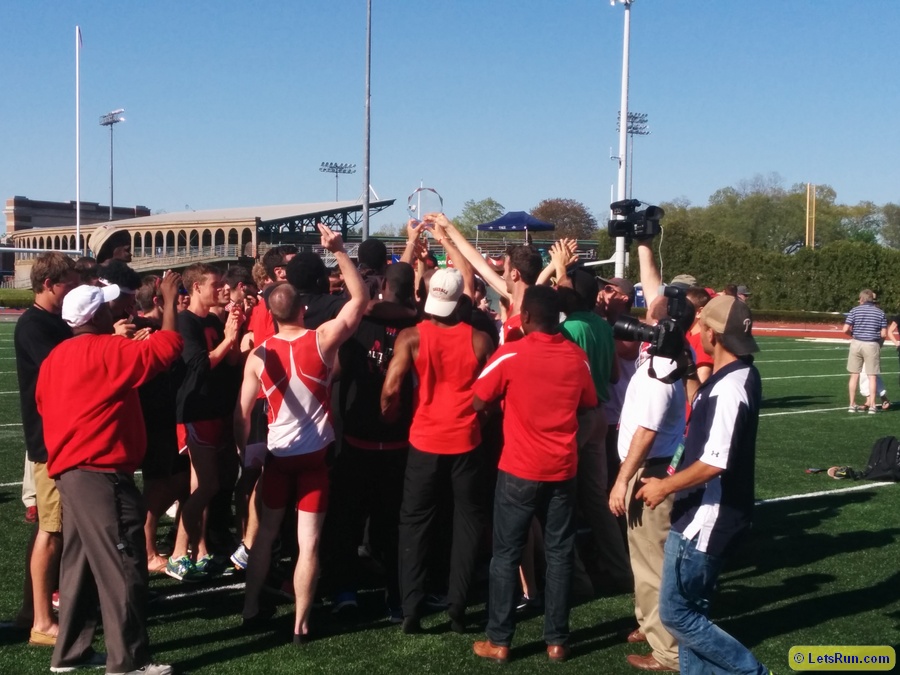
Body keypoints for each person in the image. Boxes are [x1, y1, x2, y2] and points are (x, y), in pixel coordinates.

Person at [37, 274, 183, 675]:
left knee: (79, 566)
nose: (115, 309)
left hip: (69, 471)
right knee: (124, 563)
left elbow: (43, 403)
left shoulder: (57, 357)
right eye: (107, 305)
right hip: (101, 472)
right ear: (97, 313)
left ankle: (71, 651)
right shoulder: (106, 349)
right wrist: (169, 301)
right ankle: (128, 662)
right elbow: (169, 348)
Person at [236, 224, 368, 643]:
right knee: (308, 543)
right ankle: (301, 623)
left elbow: (240, 413)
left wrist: (246, 454)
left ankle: (250, 606)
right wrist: (340, 251)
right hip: (314, 460)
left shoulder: (258, 355)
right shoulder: (322, 339)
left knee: (266, 537)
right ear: (301, 311)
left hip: (278, 457)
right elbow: (360, 300)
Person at [636, 295, 770, 675]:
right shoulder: (738, 374)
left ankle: (750, 671)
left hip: (707, 516)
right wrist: (689, 370)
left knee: (677, 616)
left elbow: (716, 460)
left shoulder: (730, 387)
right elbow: (706, 409)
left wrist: (664, 486)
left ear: (712, 333)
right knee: (694, 610)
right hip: (709, 510)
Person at [471, 285, 597, 664]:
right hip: (563, 468)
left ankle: (500, 639)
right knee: (559, 553)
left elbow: (478, 399)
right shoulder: (577, 357)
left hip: (519, 468)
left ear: (524, 317)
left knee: (506, 554)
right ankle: (557, 640)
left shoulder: (510, 352)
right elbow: (590, 405)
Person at [381, 267, 494, 633]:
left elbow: (391, 387)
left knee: (414, 522)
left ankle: (411, 607)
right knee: (467, 521)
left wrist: (391, 415)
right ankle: (457, 606)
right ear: (461, 300)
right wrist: (479, 420)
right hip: (466, 441)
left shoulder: (412, 336)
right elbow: (490, 395)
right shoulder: (480, 339)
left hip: (424, 439)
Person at [329, 262, 419, 620]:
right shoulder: (421, 323)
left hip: (358, 436)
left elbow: (335, 370)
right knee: (394, 524)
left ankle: (345, 593)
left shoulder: (358, 323)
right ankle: (396, 598)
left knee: (348, 522)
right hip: (399, 440)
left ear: (381, 284)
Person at [608, 295, 686, 673]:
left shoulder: (661, 372)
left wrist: (622, 481)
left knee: (652, 561)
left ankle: (667, 652)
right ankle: (649, 623)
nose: (642, 320)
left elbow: (647, 431)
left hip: (649, 470)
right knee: (643, 558)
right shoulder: (664, 359)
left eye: (651, 316)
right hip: (647, 467)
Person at [14, 252, 78, 646]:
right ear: (49, 284)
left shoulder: (54, 322)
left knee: (55, 529)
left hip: (60, 438)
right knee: (50, 531)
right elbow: (62, 369)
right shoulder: (34, 324)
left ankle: (33, 613)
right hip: (49, 442)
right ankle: (40, 619)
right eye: (67, 282)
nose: (71, 289)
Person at [168, 263, 243, 581]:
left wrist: (234, 332)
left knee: (209, 487)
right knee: (206, 485)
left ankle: (200, 552)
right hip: (196, 411)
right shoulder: (186, 322)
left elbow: (232, 361)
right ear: (196, 287)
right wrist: (227, 339)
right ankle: (176, 553)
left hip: (218, 410)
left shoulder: (214, 319)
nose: (223, 288)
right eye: (216, 284)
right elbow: (199, 365)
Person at [843, 289, 887, 413]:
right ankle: (872, 405)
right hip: (872, 344)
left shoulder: (854, 310)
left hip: (857, 343)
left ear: (861, 299)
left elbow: (845, 329)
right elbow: (883, 334)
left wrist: (854, 334)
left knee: (854, 375)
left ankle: (852, 404)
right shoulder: (880, 313)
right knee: (872, 376)